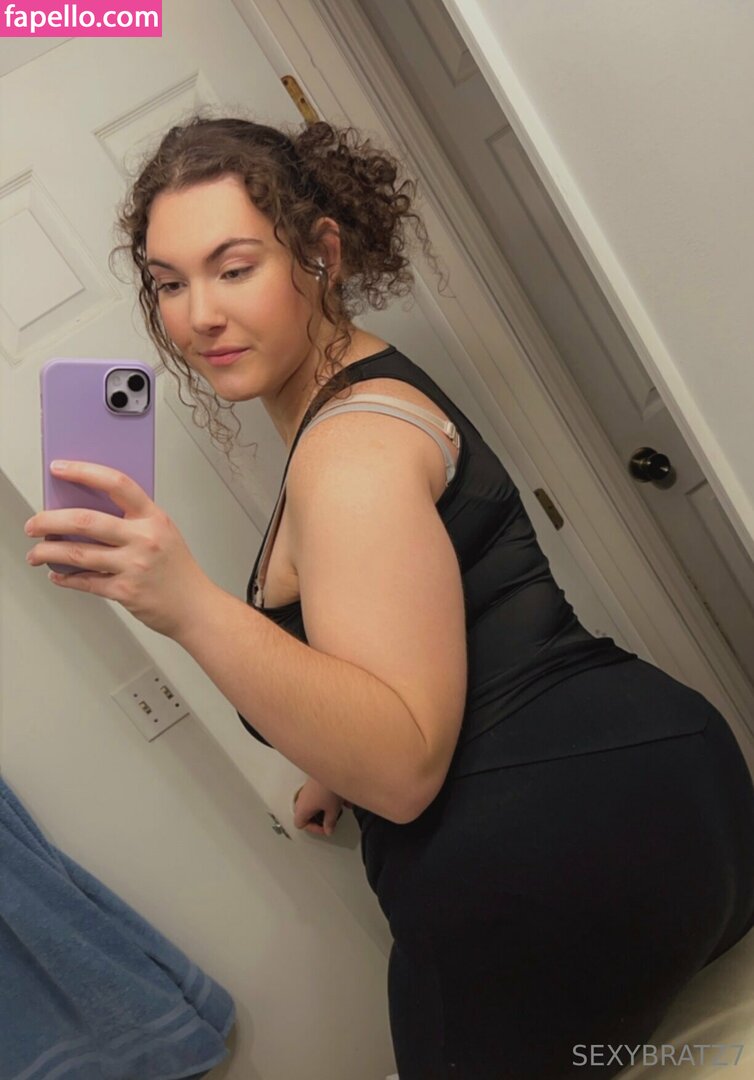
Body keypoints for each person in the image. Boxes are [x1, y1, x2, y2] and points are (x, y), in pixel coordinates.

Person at [104, 113, 754, 1078]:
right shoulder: (368, 389)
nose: (199, 314)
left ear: (321, 254)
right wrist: (334, 763)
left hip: (552, 854)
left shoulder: (349, 454)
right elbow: (437, 623)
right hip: (680, 783)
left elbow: (406, 769)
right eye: (169, 282)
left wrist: (188, 603)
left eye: (233, 268)